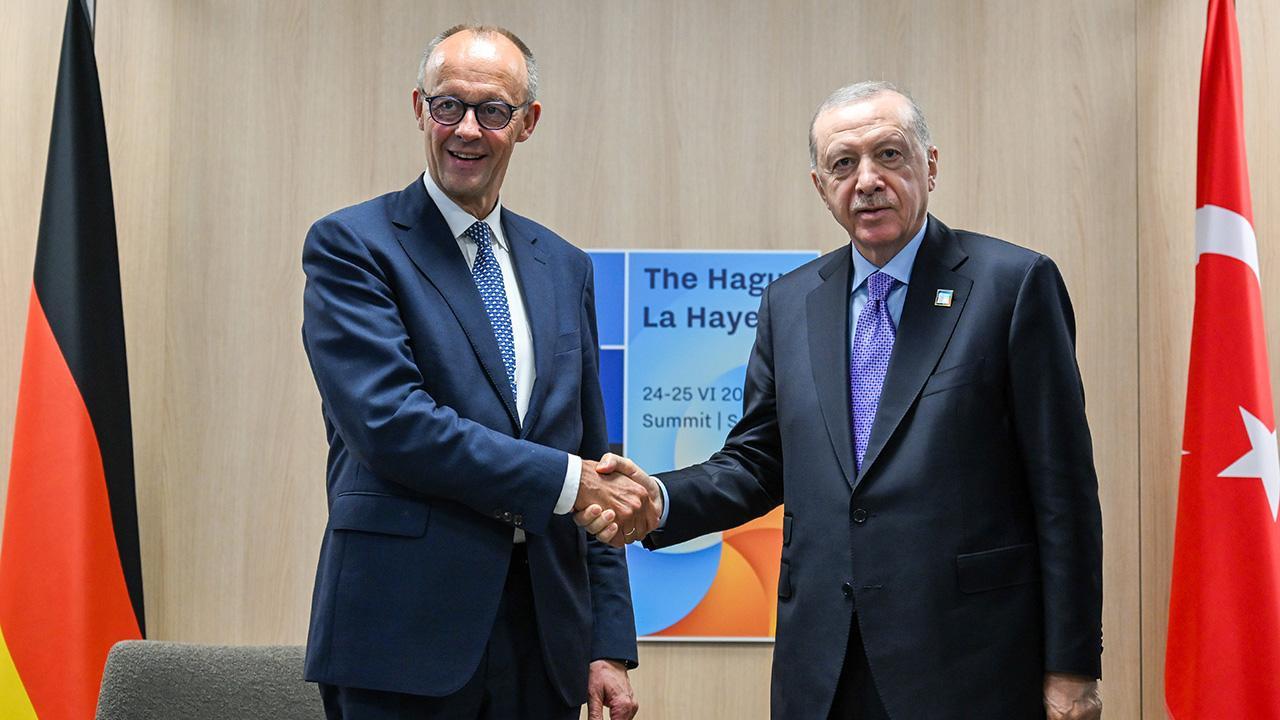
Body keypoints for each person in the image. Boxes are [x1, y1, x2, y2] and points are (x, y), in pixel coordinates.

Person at [577, 82, 1104, 719]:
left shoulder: (1012, 285)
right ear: (821, 185)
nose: (868, 180)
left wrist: (1072, 666)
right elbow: (758, 462)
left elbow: (1064, 492)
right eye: (844, 164)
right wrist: (659, 499)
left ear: (930, 165)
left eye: (890, 154)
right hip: (823, 668)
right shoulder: (791, 302)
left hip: (969, 662)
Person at [301, 24, 654, 720]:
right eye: (448, 105)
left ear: (526, 122)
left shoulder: (565, 266)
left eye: (492, 110)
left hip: (544, 638)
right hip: (400, 634)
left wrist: (606, 643)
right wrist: (566, 480)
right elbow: (391, 424)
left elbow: (593, 455)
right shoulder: (352, 246)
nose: (467, 129)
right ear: (419, 108)